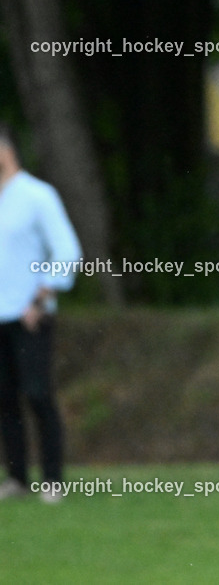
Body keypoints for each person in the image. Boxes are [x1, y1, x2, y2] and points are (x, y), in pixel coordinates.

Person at [0, 123, 83, 503]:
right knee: (5, 400)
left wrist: (40, 298)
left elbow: (66, 250)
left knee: (37, 395)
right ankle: (17, 477)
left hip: (29, 316)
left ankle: (53, 479)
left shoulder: (36, 196)